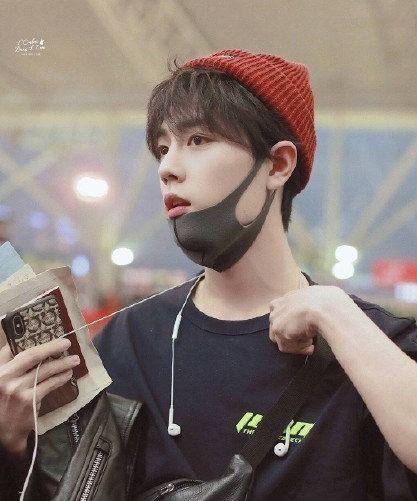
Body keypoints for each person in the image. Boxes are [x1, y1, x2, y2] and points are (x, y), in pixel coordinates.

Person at [1, 49, 417, 500]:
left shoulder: (370, 344)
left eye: (198, 140)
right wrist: (11, 440)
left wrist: (334, 310)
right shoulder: (130, 339)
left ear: (278, 165)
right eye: (163, 148)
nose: (167, 168)